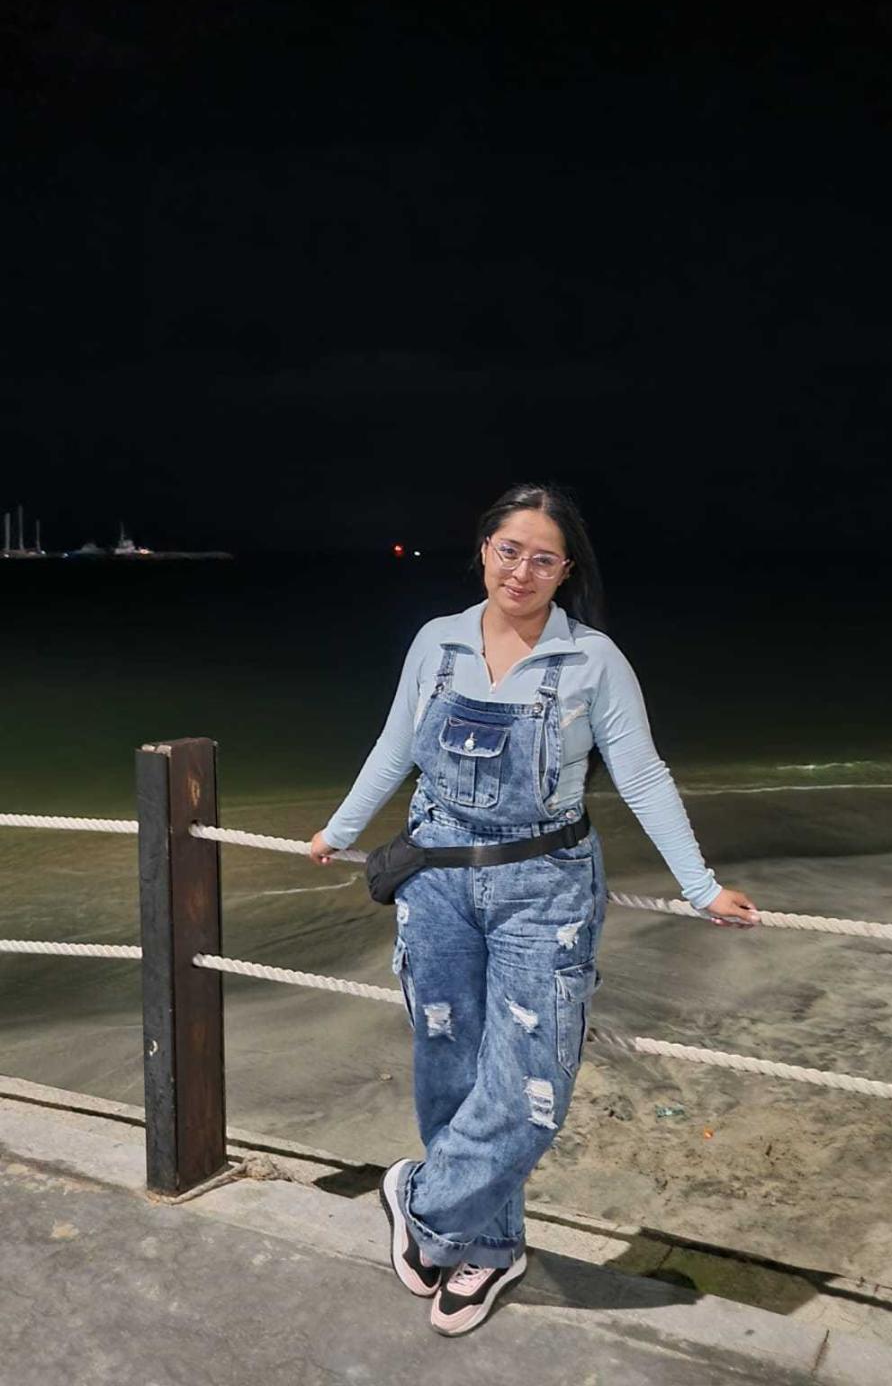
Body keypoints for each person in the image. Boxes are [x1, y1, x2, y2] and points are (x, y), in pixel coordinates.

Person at [309, 482, 759, 1336]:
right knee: (450, 1065)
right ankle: (488, 1248)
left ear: (566, 570)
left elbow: (642, 774)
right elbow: (396, 746)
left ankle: (421, 1201)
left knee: (530, 1089)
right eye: (508, 550)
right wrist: (341, 828)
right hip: (437, 880)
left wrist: (699, 885)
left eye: (542, 558)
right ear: (484, 550)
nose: (521, 570)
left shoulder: (594, 660)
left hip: (545, 888)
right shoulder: (437, 642)